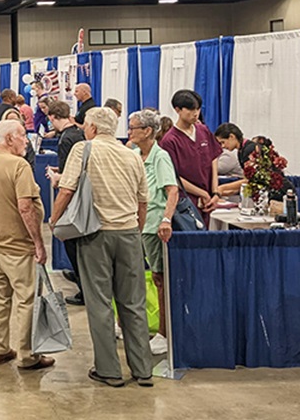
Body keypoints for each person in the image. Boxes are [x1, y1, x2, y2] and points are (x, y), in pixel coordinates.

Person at [51, 107, 153, 388]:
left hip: (95, 234)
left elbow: (67, 189)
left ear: (93, 128)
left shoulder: (83, 150)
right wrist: (136, 231)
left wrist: (54, 220)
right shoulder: (131, 155)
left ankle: (109, 370)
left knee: (100, 303)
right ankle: (143, 369)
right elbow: (142, 202)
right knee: (133, 303)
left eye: (86, 125)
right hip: (129, 233)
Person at [0, 119, 55, 371]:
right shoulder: (19, 166)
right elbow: (25, 207)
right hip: (19, 248)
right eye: (22, 135)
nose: (26, 140)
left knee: (0, 298)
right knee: (27, 300)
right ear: (9, 139)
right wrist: (38, 243)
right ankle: (28, 355)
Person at [128, 109, 179, 357]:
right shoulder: (134, 155)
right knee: (132, 275)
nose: (129, 132)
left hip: (153, 226)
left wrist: (166, 219)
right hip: (135, 225)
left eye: (133, 128)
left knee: (159, 278)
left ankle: (164, 333)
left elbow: (172, 190)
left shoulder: (160, 157)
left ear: (148, 131)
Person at [44, 101, 86, 306]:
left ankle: (83, 288)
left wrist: (57, 178)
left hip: (73, 199)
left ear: (52, 117)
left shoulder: (66, 139)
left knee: (72, 242)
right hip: (83, 197)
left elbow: (69, 178)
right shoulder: (79, 134)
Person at [159, 90, 222, 226]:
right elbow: (173, 177)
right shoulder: (169, 141)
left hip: (207, 200)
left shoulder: (203, 130)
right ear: (178, 110)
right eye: (191, 109)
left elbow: (213, 159)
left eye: (198, 109)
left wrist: (215, 192)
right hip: (185, 203)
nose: (195, 113)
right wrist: (202, 193)